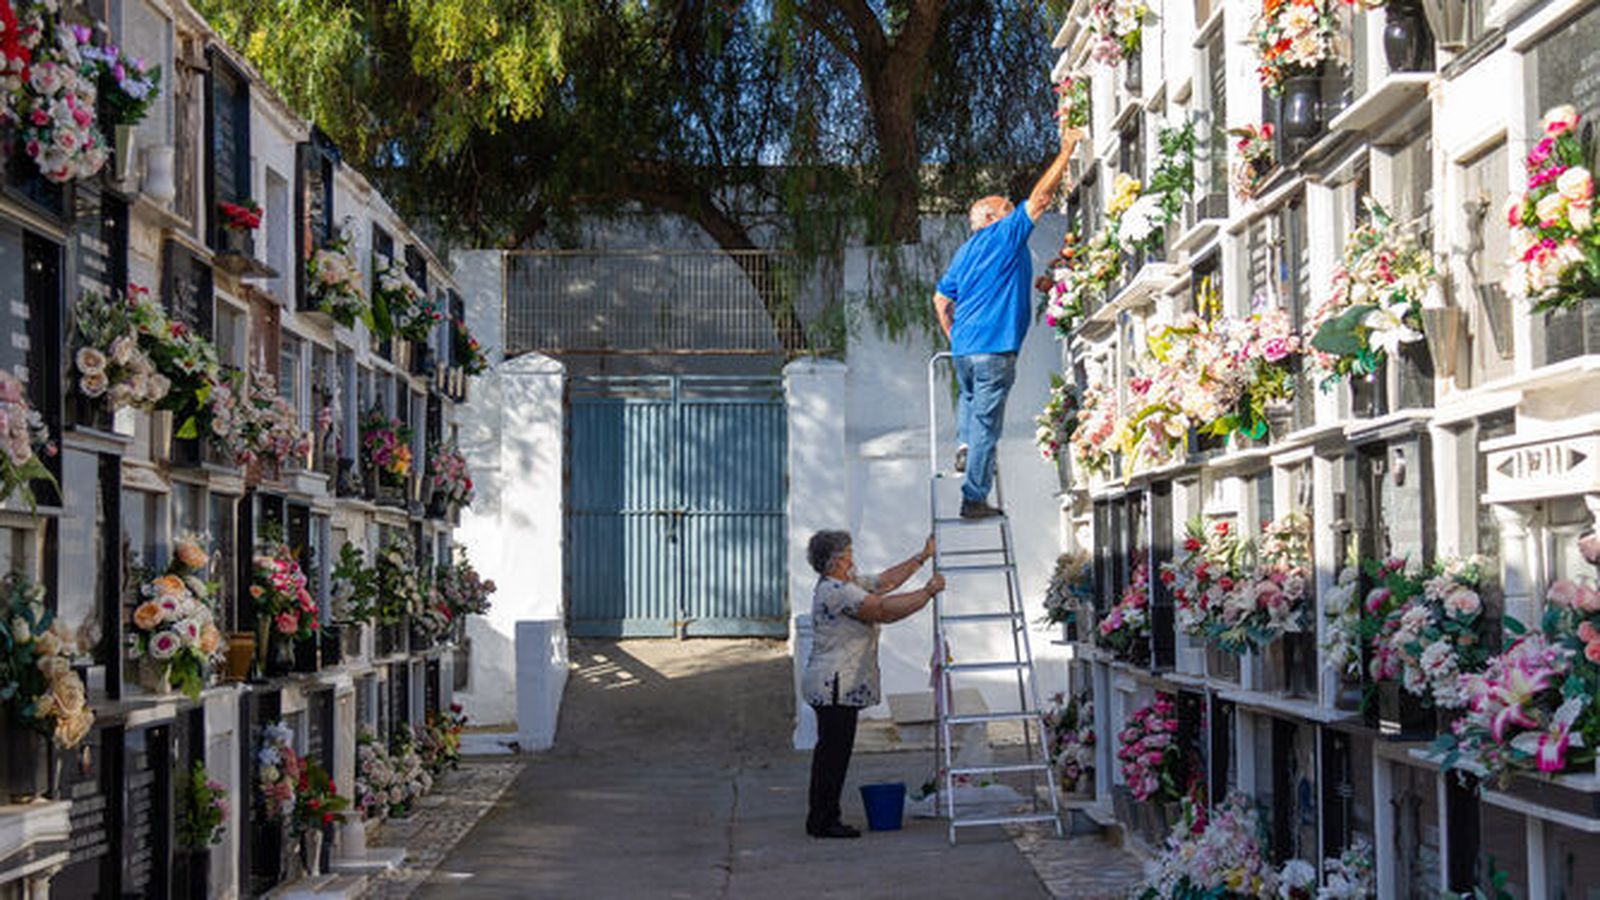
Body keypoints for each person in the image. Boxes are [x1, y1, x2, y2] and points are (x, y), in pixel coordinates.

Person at [933, 125, 1087, 519]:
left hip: (965, 350)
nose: (1011, 211)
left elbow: (940, 298)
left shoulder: (965, 251)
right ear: (990, 217)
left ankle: (964, 451)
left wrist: (954, 335)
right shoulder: (1004, 234)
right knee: (988, 425)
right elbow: (1041, 197)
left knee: (970, 407)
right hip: (994, 348)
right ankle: (973, 498)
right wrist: (1066, 149)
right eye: (1005, 207)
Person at [802, 529, 944, 838]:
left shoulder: (844, 584)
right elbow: (882, 610)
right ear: (837, 560)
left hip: (835, 683)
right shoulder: (838, 591)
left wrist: (921, 557)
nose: (854, 558)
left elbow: (884, 582)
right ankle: (823, 820)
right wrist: (927, 593)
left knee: (832, 753)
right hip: (834, 684)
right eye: (850, 553)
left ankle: (824, 817)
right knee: (832, 755)